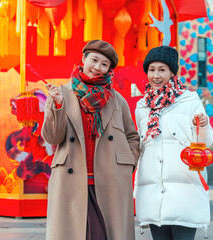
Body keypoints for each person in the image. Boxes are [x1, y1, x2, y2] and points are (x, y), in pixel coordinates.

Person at [42, 40, 140, 240]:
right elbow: (52, 137)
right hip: (72, 177)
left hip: (109, 179)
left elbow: (132, 136)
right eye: (94, 60)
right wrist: (58, 106)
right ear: (84, 59)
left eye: (104, 64)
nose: (97, 67)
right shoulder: (61, 93)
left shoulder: (116, 99)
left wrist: (126, 163)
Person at [134, 45, 213, 240]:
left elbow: (207, 141)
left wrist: (202, 126)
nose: (156, 75)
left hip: (185, 191)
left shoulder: (189, 101)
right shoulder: (142, 106)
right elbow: (141, 147)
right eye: (151, 70)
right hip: (153, 193)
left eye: (162, 69)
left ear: (172, 72)